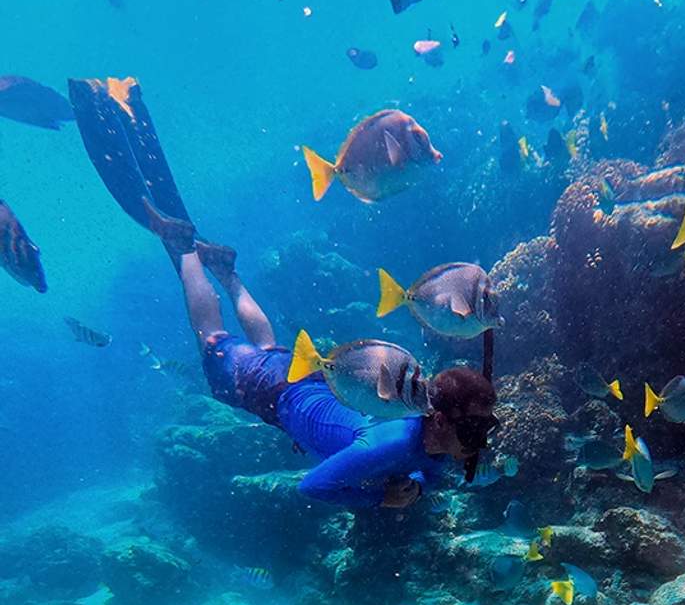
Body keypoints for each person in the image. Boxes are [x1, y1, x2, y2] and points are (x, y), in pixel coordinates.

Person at [69, 76, 498, 511]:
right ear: (439, 420)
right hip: (281, 393)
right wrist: (378, 498)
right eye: (475, 432)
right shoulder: (383, 447)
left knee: (267, 347)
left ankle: (229, 275)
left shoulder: (431, 434)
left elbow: (431, 461)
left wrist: (421, 485)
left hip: (308, 384)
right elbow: (312, 486)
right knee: (214, 346)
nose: (481, 441)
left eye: (484, 428)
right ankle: (185, 254)